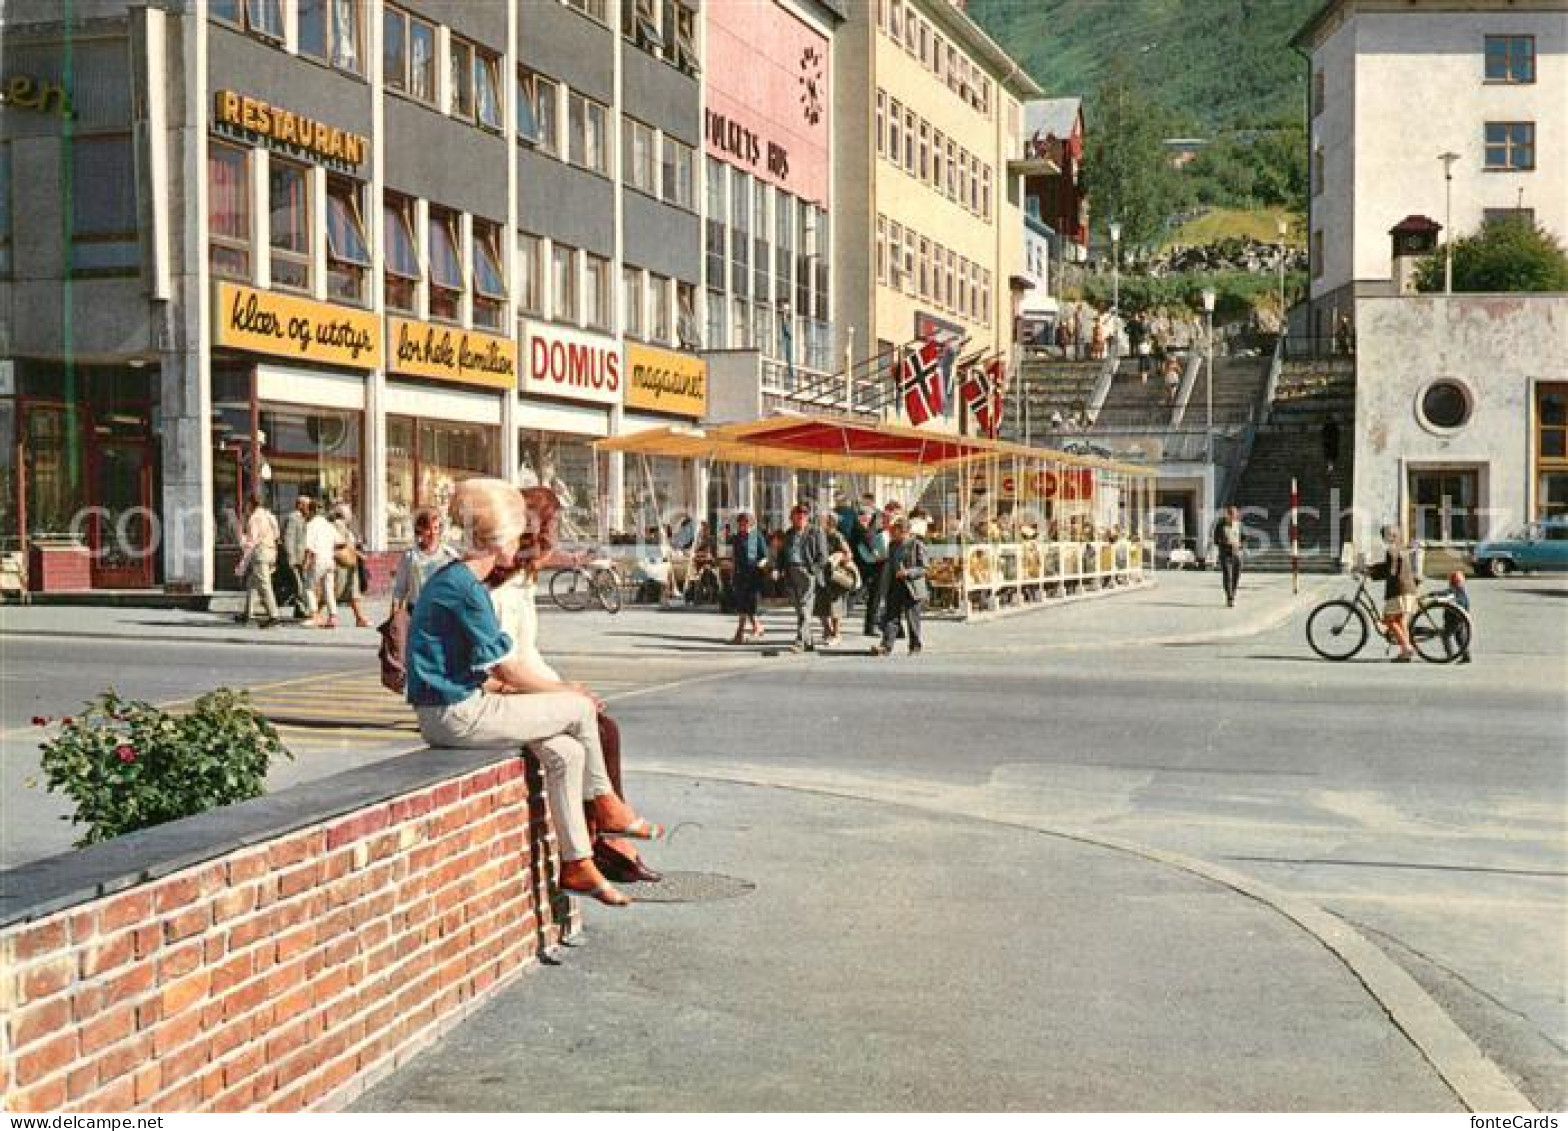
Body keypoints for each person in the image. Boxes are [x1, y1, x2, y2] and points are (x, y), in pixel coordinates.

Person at [406, 478, 661, 907]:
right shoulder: (468, 588)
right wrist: (565, 690)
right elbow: (506, 667)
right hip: (456, 713)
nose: (520, 544)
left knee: (568, 753)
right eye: (514, 534)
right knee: (579, 710)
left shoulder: (460, 579)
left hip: (455, 706)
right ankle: (607, 807)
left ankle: (578, 862)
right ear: (499, 538)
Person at [489, 487, 661, 885]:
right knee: (598, 731)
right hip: (498, 698)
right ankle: (603, 836)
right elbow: (502, 669)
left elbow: (527, 655)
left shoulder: (521, 582)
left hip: (523, 686)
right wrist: (560, 692)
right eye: (553, 537)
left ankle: (605, 832)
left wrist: (564, 685)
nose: (558, 549)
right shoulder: (501, 590)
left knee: (603, 727)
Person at [773, 503, 828, 651]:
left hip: (807, 572)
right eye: (798, 516)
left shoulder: (816, 532)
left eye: (804, 516)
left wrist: (812, 571)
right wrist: (778, 569)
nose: (801, 518)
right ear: (792, 518)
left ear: (808, 518)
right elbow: (782, 554)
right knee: (800, 609)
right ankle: (808, 642)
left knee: (804, 607)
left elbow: (823, 557)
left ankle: (799, 641)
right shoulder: (789, 533)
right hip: (791, 572)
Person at [872, 518, 928, 656]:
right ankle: (886, 646)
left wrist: (908, 572)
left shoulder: (916, 545)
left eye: (895, 532)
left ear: (905, 532)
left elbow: (924, 568)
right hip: (895, 585)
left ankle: (915, 646)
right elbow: (890, 564)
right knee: (891, 616)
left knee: (912, 618)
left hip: (912, 586)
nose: (892, 534)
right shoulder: (892, 545)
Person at [391, 506, 457, 614]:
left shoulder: (449, 555)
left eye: (436, 528)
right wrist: (394, 615)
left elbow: (457, 588)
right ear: (419, 530)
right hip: (416, 611)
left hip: (443, 612)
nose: (433, 533)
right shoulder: (410, 556)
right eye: (428, 529)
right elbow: (400, 589)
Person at [1367, 524, 1417, 662]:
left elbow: (1390, 571)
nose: (1390, 537)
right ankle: (1405, 653)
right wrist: (1373, 568)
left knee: (1389, 619)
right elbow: (1390, 567)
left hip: (1399, 590)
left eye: (1391, 534)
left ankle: (1406, 647)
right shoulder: (1400, 548)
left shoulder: (1392, 550)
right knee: (1400, 621)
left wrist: (1370, 571)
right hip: (1409, 588)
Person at [727, 511, 769, 644]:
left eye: (745, 523)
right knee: (744, 605)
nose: (742, 526)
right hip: (739, 575)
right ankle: (757, 627)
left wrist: (761, 564)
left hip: (752, 575)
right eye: (740, 523)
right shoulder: (737, 538)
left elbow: (764, 556)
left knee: (745, 606)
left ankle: (739, 633)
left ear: (751, 524)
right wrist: (732, 572)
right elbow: (734, 556)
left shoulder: (755, 537)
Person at [815, 513, 857, 646]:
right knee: (820, 605)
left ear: (830, 522)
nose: (818, 522)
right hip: (821, 574)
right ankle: (827, 630)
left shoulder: (836, 536)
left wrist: (838, 557)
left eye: (821, 520)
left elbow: (849, 554)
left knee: (835, 606)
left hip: (834, 575)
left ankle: (836, 634)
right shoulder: (817, 535)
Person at [239, 495, 281, 628]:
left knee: (264, 584)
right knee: (252, 583)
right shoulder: (268, 515)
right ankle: (248, 613)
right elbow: (277, 534)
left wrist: (243, 559)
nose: (245, 507)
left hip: (260, 552)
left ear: (251, 504)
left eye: (246, 504)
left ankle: (274, 616)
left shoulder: (254, 518)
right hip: (270, 550)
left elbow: (252, 540)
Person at [331, 503, 372, 627]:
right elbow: (341, 543)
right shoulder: (338, 525)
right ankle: (319, 614)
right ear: (342, 514)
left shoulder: (344, 525)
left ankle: (359, 617)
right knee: (336, 589)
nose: (350, 515)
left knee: (353, 591)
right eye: (348, 512)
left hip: (349, 562)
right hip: (343, 563)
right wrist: (359, 554)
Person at [301, 500, 340, 627]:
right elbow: (340, 542)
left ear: (311, 510)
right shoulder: (329, 525)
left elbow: (309, 547)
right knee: (328, 589)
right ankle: (333, 616)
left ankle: (314, 615)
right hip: (330, 559)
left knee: (308, 587)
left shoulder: (311, 524)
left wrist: (305, 563)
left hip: (317, 559)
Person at [280, 494, 311, 618]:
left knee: (301, 583)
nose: (308, 508)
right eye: (307, 505)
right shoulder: (294, 518)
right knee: (298, 584)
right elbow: (289, 538)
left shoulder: (303, 518)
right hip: (295, 558)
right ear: (300, 505)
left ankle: (299, 609)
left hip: (301, 557)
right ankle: (302, 609)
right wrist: (291, 557)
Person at [1212, 504, 1244, 607]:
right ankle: (1229, 597)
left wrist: (1240, 545)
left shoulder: (1239, 525)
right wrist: (1225, 543)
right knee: (1227, 576)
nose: (1232, 517)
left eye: (1234, 515)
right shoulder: (1220, 525)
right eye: (1230, 515)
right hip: (1225, 554)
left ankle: (1233, 594)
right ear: (1227, 515)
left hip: (1237, 553)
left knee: (1236, 576)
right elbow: (1216, 540)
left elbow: (1244, 537)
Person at [1443, 570, 1473, 664]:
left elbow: (1445, 596)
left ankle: (1450, 655)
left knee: (1445, 636)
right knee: (1460, 638)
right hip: (1462, 619)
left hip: (1454, 619)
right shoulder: (1462, 592)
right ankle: (1466, 656)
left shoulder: (1453, 592)